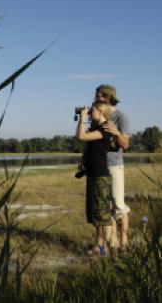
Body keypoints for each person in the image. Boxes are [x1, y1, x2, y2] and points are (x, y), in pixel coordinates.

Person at [94, 85, 130, 253]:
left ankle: (124, 241)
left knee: (118, 205)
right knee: (104, 207)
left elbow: (125, 145)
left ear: (107, 97)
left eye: (98, 96)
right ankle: (111, 243)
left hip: (115, 165)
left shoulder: (121, 117)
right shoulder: (97, 115)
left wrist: (116, 132)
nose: (95, 98)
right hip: (99, 165)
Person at [77, 101, 114, 255]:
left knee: (103, 214)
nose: (90, 111)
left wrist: (82, 119)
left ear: (100, 112)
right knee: (95, 214)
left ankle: (103, 247)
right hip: (93, 175)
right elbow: (87, 145)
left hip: (101, 177)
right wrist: (84, 161)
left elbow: (81, 136)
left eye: (92, 110)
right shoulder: (95, 128)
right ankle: (98, 245)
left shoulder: (105, 129)